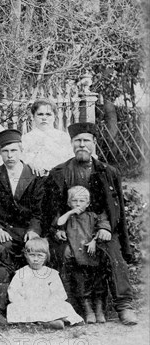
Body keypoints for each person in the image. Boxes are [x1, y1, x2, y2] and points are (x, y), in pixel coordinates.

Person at [44, 122, 137, 325]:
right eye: (78, 141)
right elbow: (52, 208)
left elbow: (114, 207)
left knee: (113, 254)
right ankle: (67, 306)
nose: (82, 145)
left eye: (86, 140)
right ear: (71, 143)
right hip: (70, 229)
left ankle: (124, 305)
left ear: (94, 143)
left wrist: (104, 228)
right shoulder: (59, 172)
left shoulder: (107, 171)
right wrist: (57, 229)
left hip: (98, 228)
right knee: (63, 254)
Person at [0, 129, 45, 261]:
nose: (10, 156)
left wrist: (34, 230)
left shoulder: (34, 175)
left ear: (21, 151)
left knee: (35, 249)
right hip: (4, 230)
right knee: (3, 248)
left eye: (14, 151)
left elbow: (39, 211)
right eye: (5, 151)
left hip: (27, 229)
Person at [54, 186, 109, 323]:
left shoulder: (92, 216)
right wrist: (70, 212)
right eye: (74, 201)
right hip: (77, 256)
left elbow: (99, 230)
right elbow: (58, 223)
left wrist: (94, 241)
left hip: (92, 253)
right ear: (68, 203)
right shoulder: (68, 217)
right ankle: (87, 309)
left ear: (88, 203)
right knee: (81, 283)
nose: (78, 204)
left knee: (98, 282)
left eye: (82, 201)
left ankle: (99, 309)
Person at [7, 238, 83, 329]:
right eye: (32, 255)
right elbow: (13, 292)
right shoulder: (21, 273)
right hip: (27, 304)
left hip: (47, 304)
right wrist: (24, 303)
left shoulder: (51, 273)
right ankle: (46, 323)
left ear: (46, 256)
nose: (35, 259)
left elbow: (59, 293)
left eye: (40, 256)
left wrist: (48, 303)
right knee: (13, 307)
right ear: (26, 255)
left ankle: (41, 323)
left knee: (65, 305)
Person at [21, 99, 73, 176]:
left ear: (55, 116)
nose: (44, 118)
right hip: (34, 177)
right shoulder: (26, 138)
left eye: (48, 114)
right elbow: (21, 159)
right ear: (33, 117)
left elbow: (70, 159)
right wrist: (29, 163)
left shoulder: (63, 137)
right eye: (40, 114)